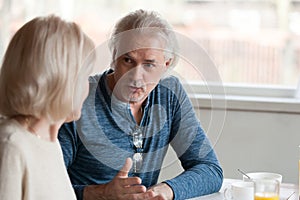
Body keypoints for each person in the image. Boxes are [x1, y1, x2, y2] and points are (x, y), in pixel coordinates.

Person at [58, 9, 223, 200]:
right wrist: (101, 194)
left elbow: (210, 170)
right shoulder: (80, 97)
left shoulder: (169, 94)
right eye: (128, 60)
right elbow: (45, 186)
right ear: (114, 56)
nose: (136, 77)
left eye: (149, 64)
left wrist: (166, 190)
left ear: (166, 65)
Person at [0, 15, 95, 199]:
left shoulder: (50, 141)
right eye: (85, 77)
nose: (88, 87)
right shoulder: (11, 145)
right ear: (60, 80)